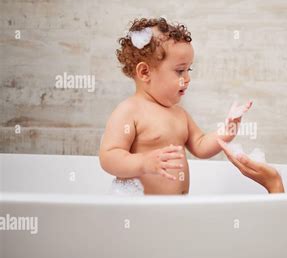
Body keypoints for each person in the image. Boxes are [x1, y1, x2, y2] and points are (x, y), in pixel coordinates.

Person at [99, 18, 252, 195]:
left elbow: (201, 146)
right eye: (180, 70)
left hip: (176, 209)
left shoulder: (180, 114)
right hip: (140, 210)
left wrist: (229, 127)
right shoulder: (129, 111)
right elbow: (109, 156)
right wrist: (143, 163)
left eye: (189, 70)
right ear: (145, 72)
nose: (187, 78)